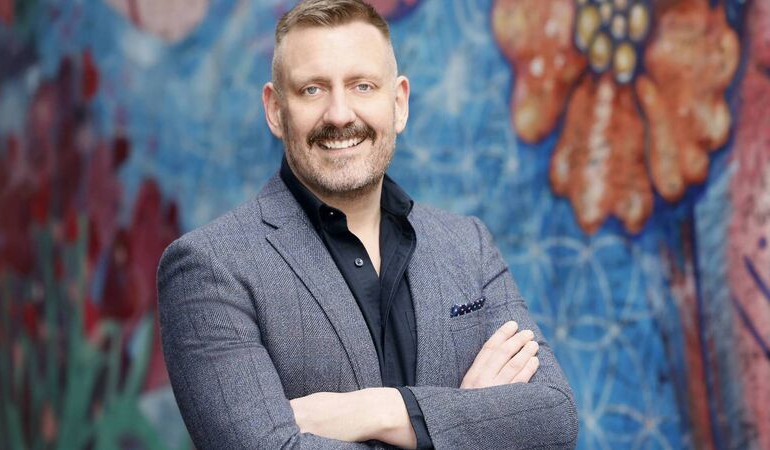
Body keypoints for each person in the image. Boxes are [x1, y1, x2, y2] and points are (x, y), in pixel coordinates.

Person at [156, 1, 578, 448]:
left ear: (398, 103)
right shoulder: (208, 267)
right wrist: (463, 423)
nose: (340, 114)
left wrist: (381, 410)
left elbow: (554, 419)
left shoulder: (467, 245)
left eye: (362, 86)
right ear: (276, 110)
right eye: (312, 90)